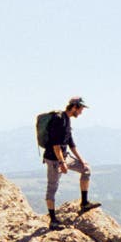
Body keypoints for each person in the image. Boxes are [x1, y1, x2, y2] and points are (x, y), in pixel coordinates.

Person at [42, 95, 93, 228]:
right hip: (54, 159)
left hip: (64, 156)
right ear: (74, 107)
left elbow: (71, 143)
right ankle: (53, 221)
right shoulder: (59, 119)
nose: (81, 112)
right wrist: (62, 163)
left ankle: (84, 203)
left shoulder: (67, 119)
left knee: (86, 170)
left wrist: (82, 161)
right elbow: (55, 145)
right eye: (81, 109)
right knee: (52, 187)